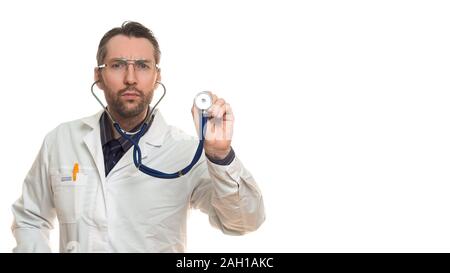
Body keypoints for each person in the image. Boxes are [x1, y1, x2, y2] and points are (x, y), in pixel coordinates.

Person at [11, 21, 265, 253]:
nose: (130, 79)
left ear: (157, 76)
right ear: (98, 76)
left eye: (143, 66)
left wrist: (220, 156)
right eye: (117, 65)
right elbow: (30, 219)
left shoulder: (186, 153)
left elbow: (244, 222)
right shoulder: (61, 140)